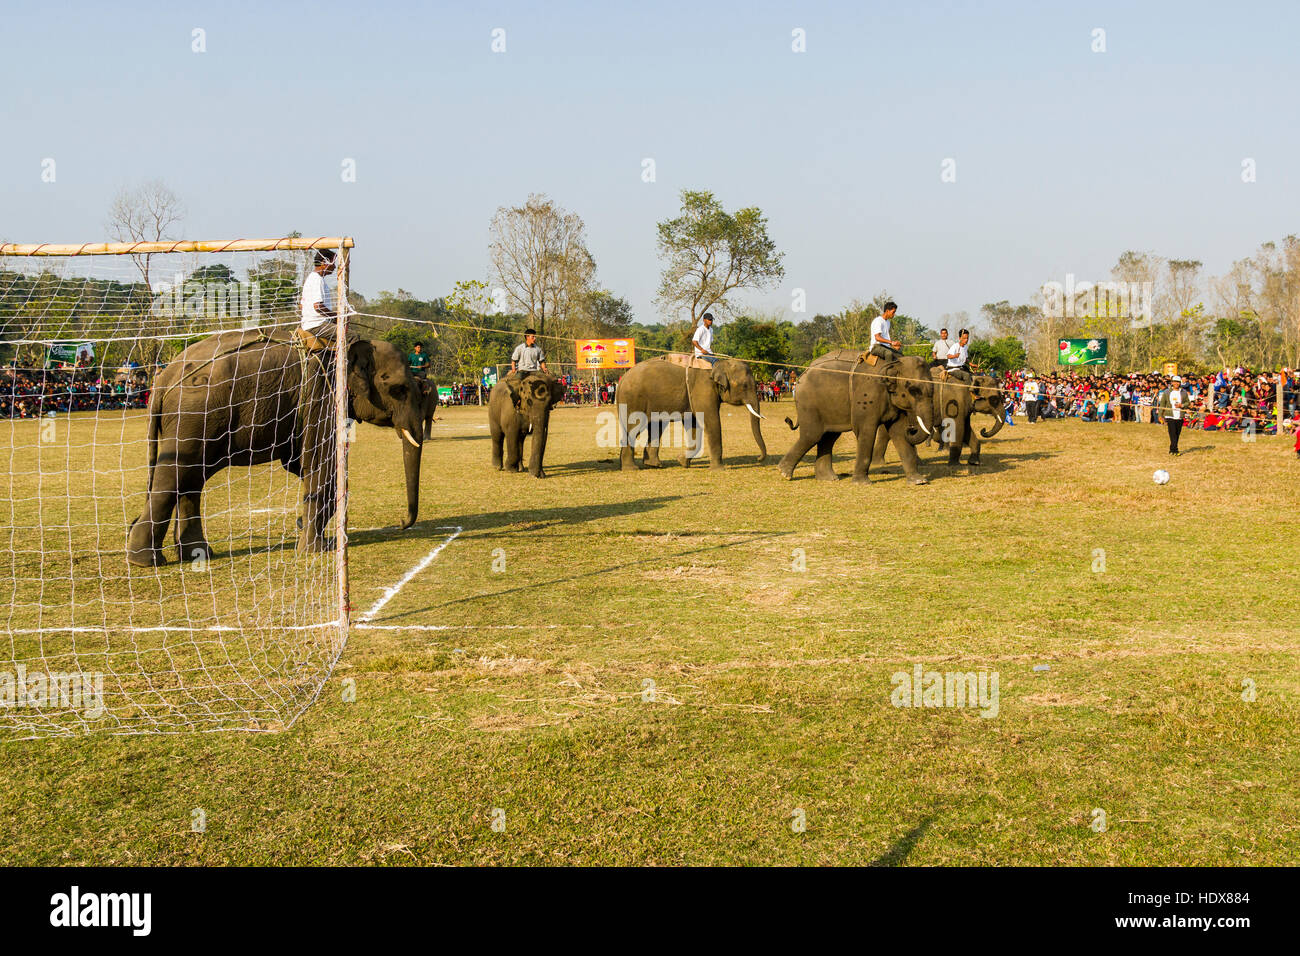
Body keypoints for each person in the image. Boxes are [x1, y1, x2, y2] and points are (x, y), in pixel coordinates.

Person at [300, 250, 337, 343]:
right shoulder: (317, 280)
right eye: (333, 262)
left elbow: (301, 306)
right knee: (352, 336)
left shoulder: (312, 278)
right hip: (316, 325)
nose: (335, 266)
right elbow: (318, 307)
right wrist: (336, 317)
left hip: (312, 323)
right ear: (324, 262)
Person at [1157, 374, 1191, 455]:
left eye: (1178, 382)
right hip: (1170, 415)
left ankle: (1171, 450)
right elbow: (1162, 404)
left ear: (1180, 383)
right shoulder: (1166, 392)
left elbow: (1188, 403)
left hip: (1180, 415)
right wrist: (1160, 415)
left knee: (1177, 433)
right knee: (1172, 433)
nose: (1176, 383)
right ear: (1172, 382)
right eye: (1174, 382)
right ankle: (1175, 450)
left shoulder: (1184, 392)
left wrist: (1181, 405)